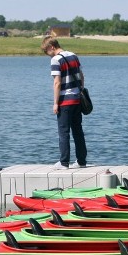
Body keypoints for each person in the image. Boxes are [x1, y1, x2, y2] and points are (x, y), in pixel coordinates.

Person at [41, 36, 88, 169]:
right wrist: (80, 90)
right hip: (77, 99)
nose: (47, 55)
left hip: (65, 102)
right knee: (78, 131)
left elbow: (57, 83)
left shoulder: (56, 60)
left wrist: (55, 103)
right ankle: (81, 161)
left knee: (63, 132)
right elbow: (81, 76)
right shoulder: (73, 55)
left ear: (51, 47)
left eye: (46, 52)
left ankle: (64, 162)